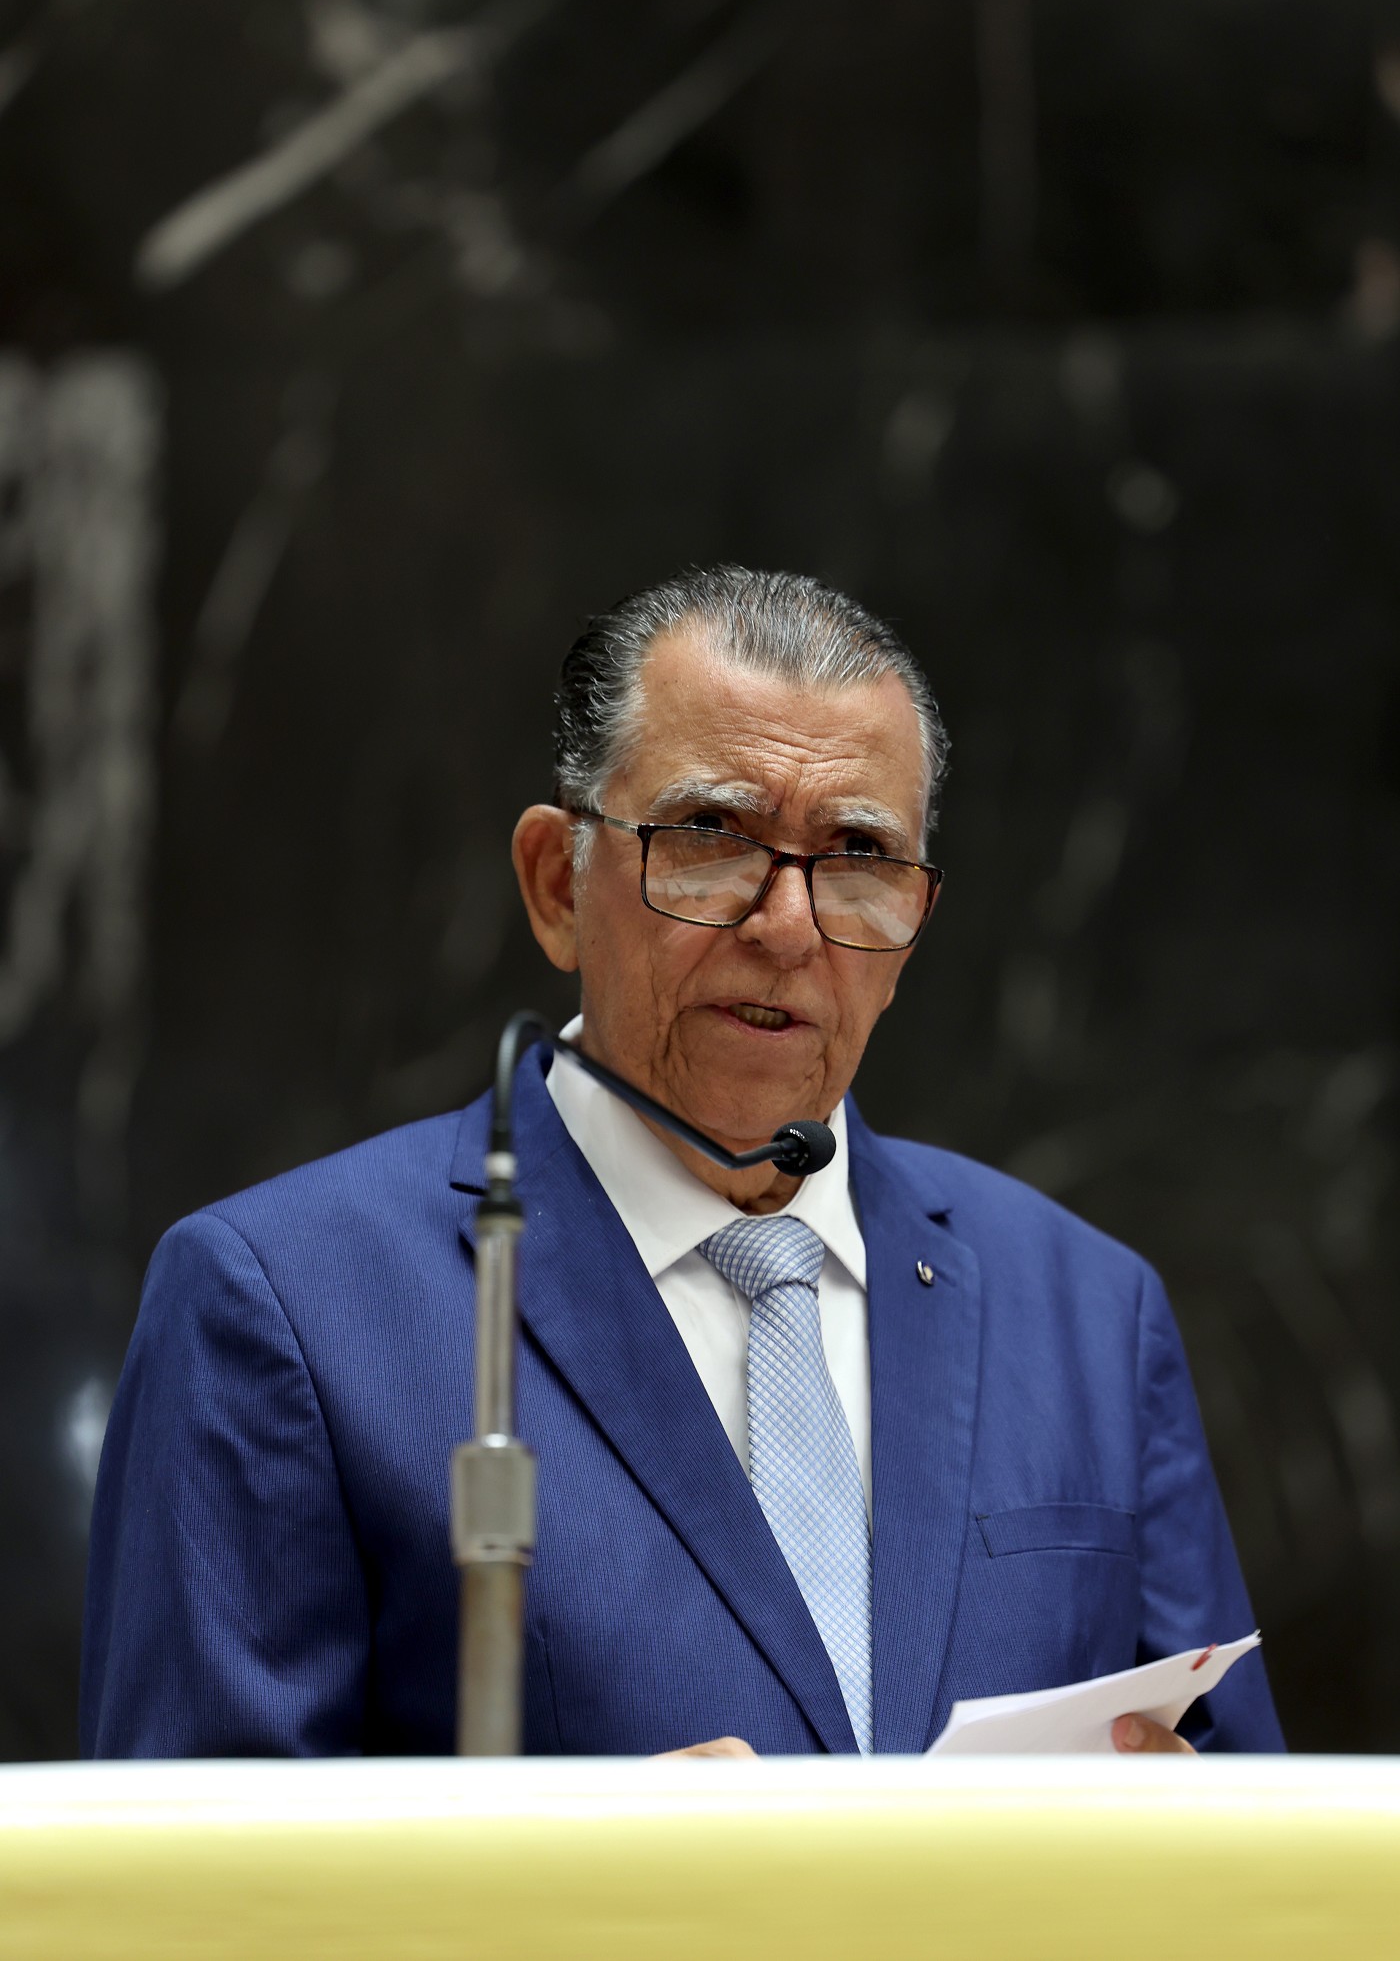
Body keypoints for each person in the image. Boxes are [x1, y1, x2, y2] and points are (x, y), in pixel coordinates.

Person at [82, 569, 1284, 1758]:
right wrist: (584, 1871)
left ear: (913, 928)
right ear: (556, 885)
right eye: (710, 836)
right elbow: (189, 1865)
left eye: (858, 855)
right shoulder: (283, 1303)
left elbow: (1248, 1831)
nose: (787, 928)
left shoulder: (1087, 1309)